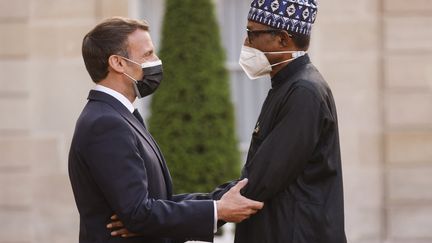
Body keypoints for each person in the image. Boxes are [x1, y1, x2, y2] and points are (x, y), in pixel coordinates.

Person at [110, 0, 347, 242]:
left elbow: (256, 185)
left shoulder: (303, 92)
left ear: (283, 39)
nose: (246, 43)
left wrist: (158, 221)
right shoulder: (287, 86)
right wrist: (160, 212)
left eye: (252, 34)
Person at [68, 16, 263, 243]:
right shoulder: (105, 123)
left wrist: (218, 202)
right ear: (118, 63)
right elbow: (138, 214)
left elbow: (156, 202)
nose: (157, 61)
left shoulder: (120, 115)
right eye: (148, 54)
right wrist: (217, 210)